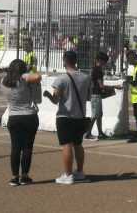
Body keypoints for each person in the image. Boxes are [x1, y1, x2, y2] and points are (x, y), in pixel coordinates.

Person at [43, 51, 91, 185]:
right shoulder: (86, 77)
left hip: (65, 116)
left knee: (66, 145)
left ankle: (68, 174)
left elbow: (55, 100)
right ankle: (80, 172)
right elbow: (88, 97)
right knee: (78, 144)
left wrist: (47, 95)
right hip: (80, 116)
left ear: (65, 61)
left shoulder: (61, 79)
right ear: (75, 61)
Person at [2, 58, 42, 186]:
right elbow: (38, 78)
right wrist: (28, 73)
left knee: (15, 148)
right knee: (27, 148)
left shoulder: (4, 81)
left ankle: (14, 177)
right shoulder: (24, 79)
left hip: (13, 116)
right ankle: (24, 176)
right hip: (29, 116)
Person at [84, 51, 108, 141]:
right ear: (100, 60)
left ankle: (100, 132)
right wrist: (114, 87)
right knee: (95, 115)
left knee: (99, 115)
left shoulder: (95, 69)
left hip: (95, 94)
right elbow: (101, 85)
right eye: (104, 61)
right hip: (95, 94)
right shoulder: (98, 70)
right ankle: (87, 133)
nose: (105, 63)